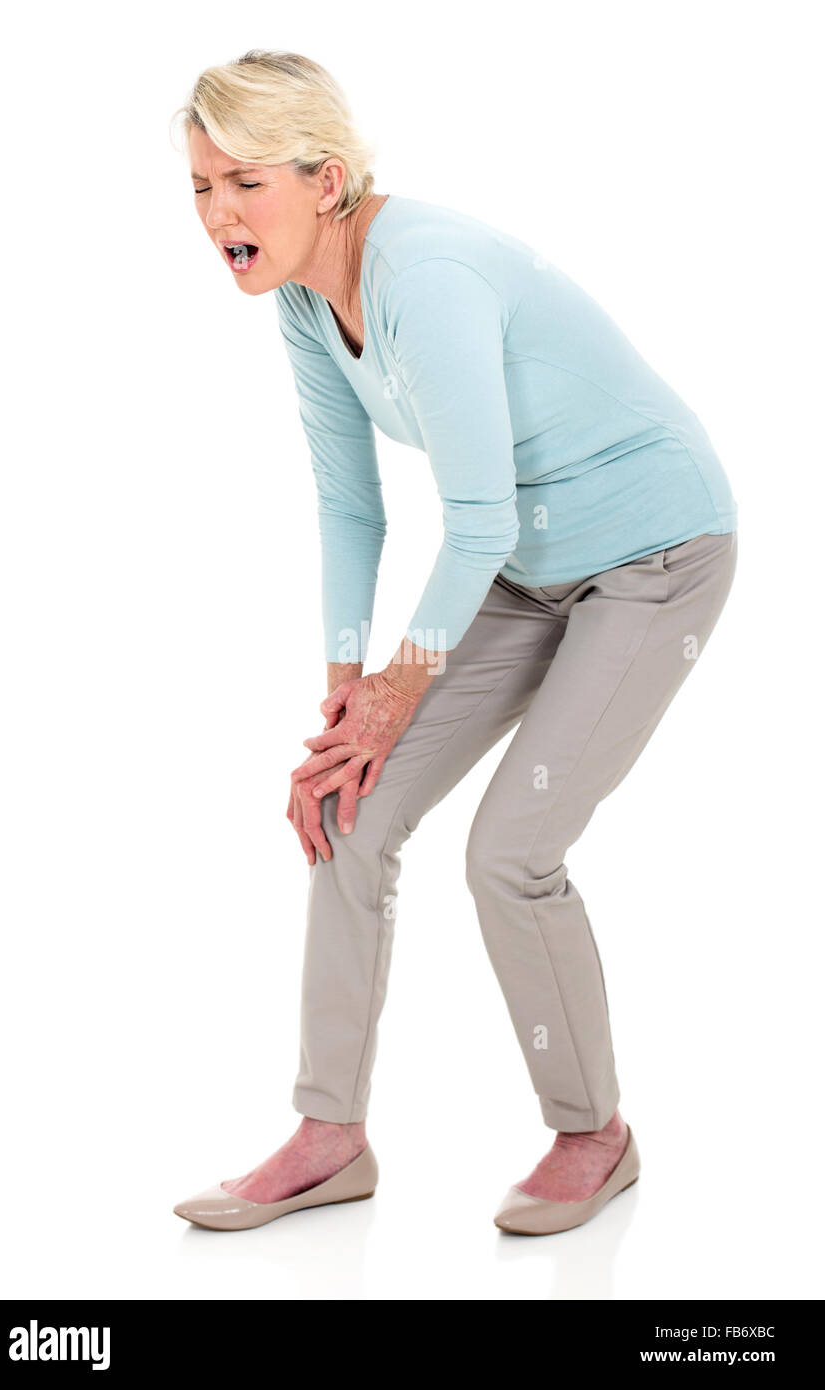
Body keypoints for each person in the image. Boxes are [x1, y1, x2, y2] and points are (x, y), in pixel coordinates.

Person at [171, 49, 738, 1235]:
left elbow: (470, 512)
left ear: (326, 179)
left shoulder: (420, 274)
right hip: (523, 572)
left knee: (507, 852)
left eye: (244, 183)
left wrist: (397, 692)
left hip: (653, 558)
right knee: (346, 807)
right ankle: (329, 1136)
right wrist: (344, 699)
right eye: (200, 187)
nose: (218, 213)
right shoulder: (299, 296)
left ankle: (594, 1131)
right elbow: (348, 501)